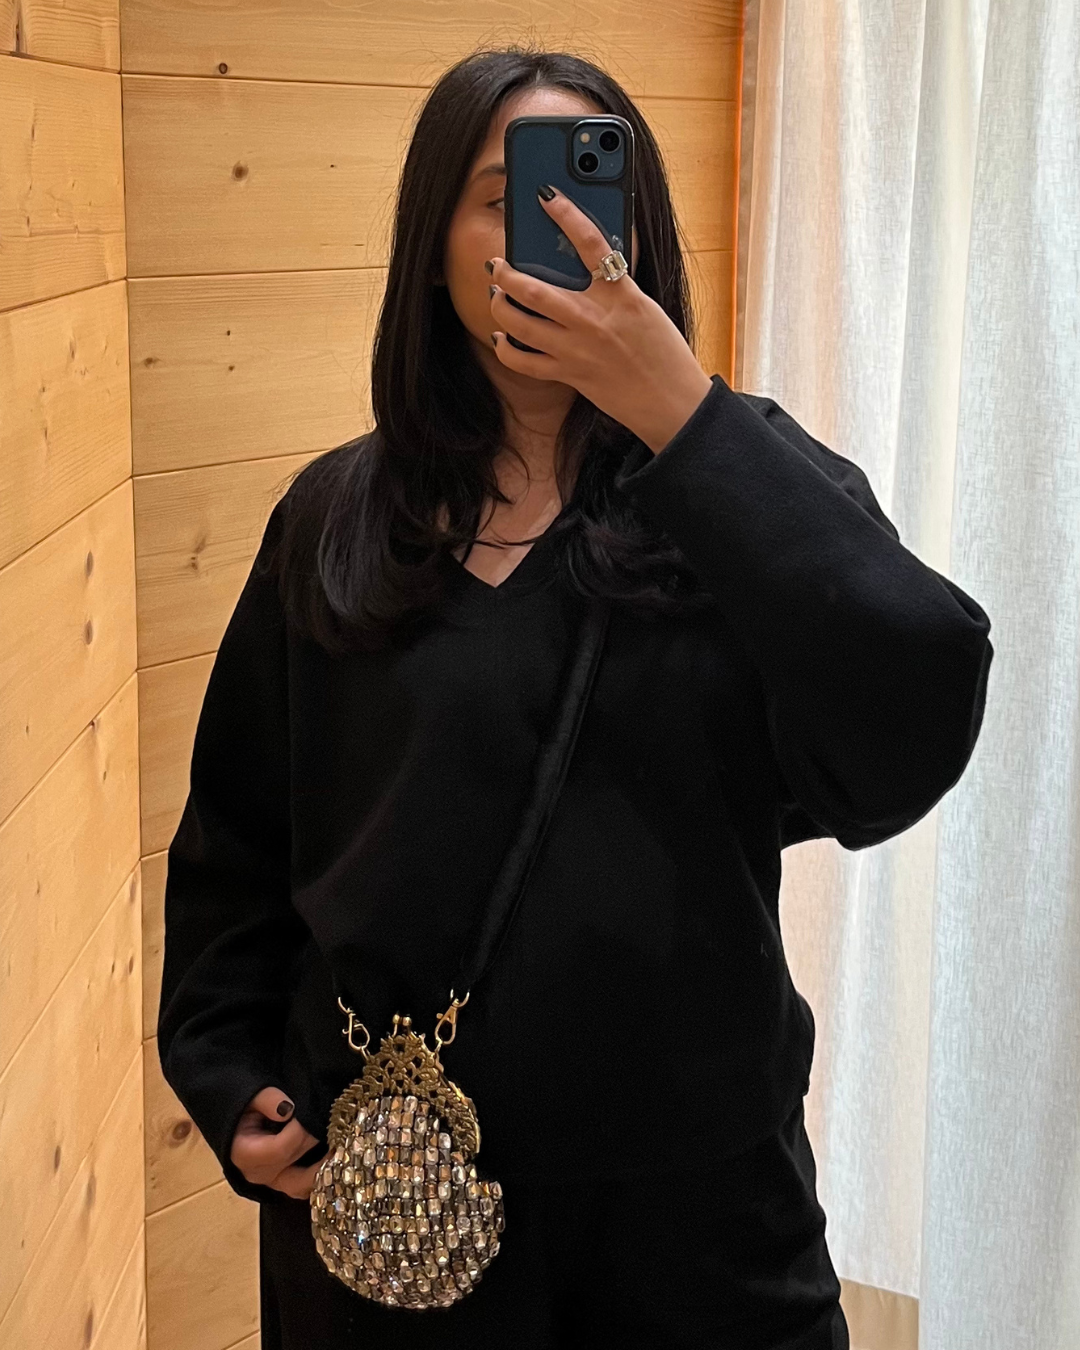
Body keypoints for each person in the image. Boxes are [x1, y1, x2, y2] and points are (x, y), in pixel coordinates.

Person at [157, 47, 994, 1350]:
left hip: (700, 1214)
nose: (550, 226)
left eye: (585, 191)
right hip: (396, 1196)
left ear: (637, 238)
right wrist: (227, 1069)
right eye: (503, 196)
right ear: (432, 243)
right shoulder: (336, 519)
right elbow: (238, 840)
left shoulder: (738, 488)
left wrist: (683, 416)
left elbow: (918, 706)